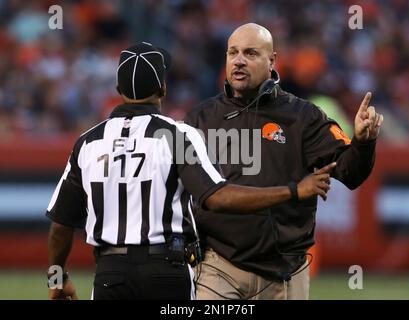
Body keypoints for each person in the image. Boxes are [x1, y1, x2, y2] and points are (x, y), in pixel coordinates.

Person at [46, 42, 335, 300]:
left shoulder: (89, 142)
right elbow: (217, 197)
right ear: (163, 88)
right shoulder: (176, 135)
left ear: (118, 91)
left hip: (111, 272)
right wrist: (295, 190)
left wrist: (57, 279)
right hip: (166, 270)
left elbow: (61, 224)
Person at [184, 23, 384, 300]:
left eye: (251, 53)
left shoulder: (302, 116)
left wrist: (363, 142)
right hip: (218, 267)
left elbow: (350, 173)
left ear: (271, 61)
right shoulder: (199, 119)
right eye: (233, 52)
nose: (239, 60)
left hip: (285, 271)